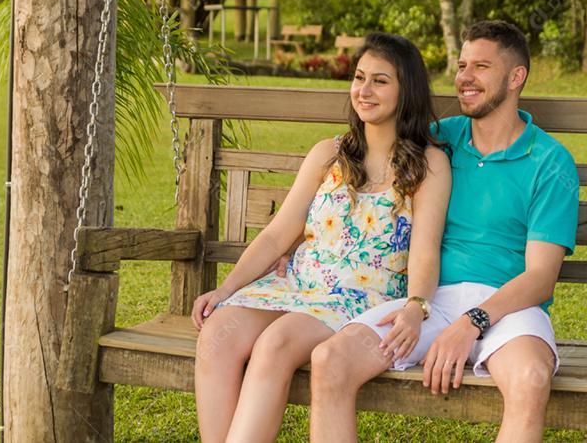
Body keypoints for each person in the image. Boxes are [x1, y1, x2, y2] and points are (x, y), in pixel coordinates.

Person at [309, 20, 580, 443]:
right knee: (330, 360)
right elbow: (365, 172)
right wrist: (296, 244)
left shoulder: (550, 161)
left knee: (530, 377)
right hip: (429, 300)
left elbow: (540, 277)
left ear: (516, 77)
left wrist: (472, 321)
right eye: (461, 65)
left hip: (510, 309)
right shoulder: (438, 141)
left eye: (481, 67)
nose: (464, 78)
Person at [191, 33, 451, 443]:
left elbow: (424, 249)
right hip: (295, 287)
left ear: (407, 92)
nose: (364, 91)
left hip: (361, 298)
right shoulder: (328, 154)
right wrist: (226, 288)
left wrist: (416, 306)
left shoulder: (427, 164)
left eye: (380, 81)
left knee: (275, 344)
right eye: (359, 77)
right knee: (216, 335)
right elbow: (279, 234)